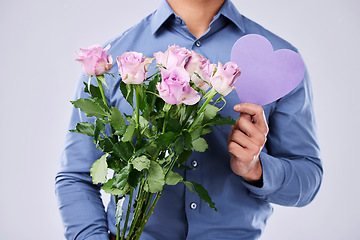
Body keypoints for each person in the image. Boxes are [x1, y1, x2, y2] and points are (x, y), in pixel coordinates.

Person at [55, 0, 323, 239]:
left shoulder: (280, 63)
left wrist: (255, 169)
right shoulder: (114, 62)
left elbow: (308, 179)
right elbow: (75, 177)